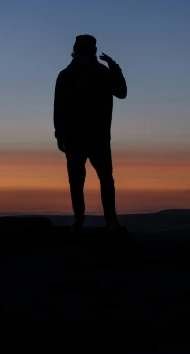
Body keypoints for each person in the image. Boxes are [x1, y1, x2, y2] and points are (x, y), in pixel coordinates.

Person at [53, 34, 127, 231]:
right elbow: (59, 107)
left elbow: (121, 92)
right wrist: (60, 133)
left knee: (95, 179)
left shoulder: (97, 73)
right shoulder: (70, 75)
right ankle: (90, 220)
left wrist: (114, 68)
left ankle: (99, 220)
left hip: (92, 137)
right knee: (85, 180)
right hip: (84, 137)